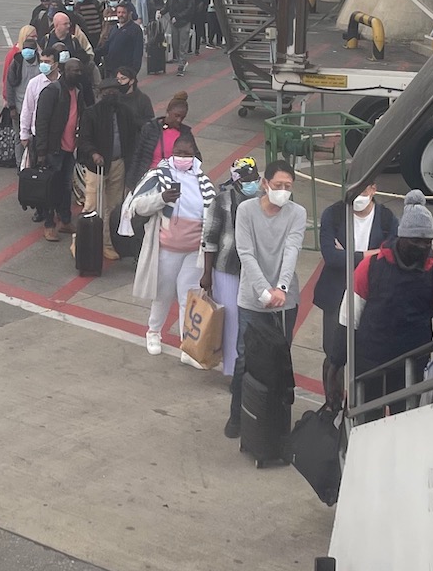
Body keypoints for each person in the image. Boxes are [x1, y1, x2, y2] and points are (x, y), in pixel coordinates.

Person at [226, 159, 308, 439]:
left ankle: (274, 419)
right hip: (252, 298)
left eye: (288, 187)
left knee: (279, 358)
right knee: (244, 357)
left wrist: (281, 288)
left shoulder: (297, 213)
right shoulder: (247, 210)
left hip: (285, 299)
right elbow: (245, 252)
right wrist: (263, 290)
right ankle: (237, 415)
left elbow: (291, 250)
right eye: (278, 186)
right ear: (265, 184)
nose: (283, 191)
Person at [348, 192, 433, 406]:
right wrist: (337, 362)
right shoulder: (370, 266)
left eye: (428, 241)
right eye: (417, 241)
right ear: (402, 237)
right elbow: (349, 319)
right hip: (369, 366)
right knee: (366, 422)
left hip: (411, 368)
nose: (424, 247)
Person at [127, 130, 222, 356]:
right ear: (172, 153)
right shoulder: (158, 175)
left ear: (194, 155)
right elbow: (138, 205)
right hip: (167, 247)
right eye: (179, 152)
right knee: (163, 293)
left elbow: (211, 213)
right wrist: (162, 199)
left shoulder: (203, 181)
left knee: (188, 298)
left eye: (187, 154)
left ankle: (187, 344)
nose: (183, 157)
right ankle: (153, 332)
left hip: (193, 251)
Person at [316, 178, 399, 403]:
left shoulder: (387, 219)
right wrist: (370, 254)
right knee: (333, 354)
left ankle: (364, 405)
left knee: (368, 355)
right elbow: (331, 258)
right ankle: (332, 404)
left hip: (372, 296)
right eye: (353, 189)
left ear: (374, 189)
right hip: (336, 295)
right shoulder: (332, 215)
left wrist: (349, 255)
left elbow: (391, 256)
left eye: (363, 189)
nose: (358, 195)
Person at [204, 156, 261, 379]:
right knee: (231, 321)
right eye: (247, 178)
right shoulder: (221, 201)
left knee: (251, 320)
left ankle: (249, 366)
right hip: (226, 268)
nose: (252, 182)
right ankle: (233, 371)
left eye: (255, 177)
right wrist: (206, 274)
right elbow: (209, 239)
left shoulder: (260, 199)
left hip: (253, 269)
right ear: (236, 179)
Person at [78, 78, 136, 261]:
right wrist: (94, 153)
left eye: (115, 91)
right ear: (100, 94)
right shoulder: (91, 113)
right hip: (97, 167)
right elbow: (84, 140)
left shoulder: (125, 111)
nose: (111, 95)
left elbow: (132, 136)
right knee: (92, 207)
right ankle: (81, 243)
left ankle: (107, 244)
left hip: (118, 163)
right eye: (107, 92)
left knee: (113, 207)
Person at [31, 55, 88, 241]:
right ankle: (49, 224)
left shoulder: (78, 91)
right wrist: (41, 152)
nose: (78, 74)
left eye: (80, 70)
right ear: (64, 71)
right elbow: (42, 122)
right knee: (51, 188)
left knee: (65, 188)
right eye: (74, 70)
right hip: (53, 150)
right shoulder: (51, 91)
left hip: (70, 149)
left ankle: (65, 220)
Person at [129, 90, 189, 189]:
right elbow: (138, 155)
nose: (179, 120)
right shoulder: (150, 129)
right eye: (176, 116)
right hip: (148, 179)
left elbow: (195, 159)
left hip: (173, 181)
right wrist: (131, 182)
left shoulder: (185, 133)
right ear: (168, 111)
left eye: (182, 117)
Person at [97, 0, 145, 81]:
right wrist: (93, 52)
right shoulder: (114, 28)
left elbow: (138, 52)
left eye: (123, 12)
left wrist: (133, 71)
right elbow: (106, 47)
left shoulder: (135, 30)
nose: (120, 15)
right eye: (119, 12)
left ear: (129, 14)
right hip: (110, 70)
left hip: (125, 72)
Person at [47, 8, 98, 81]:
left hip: (71, 78)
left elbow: (87, 54)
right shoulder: (46, 39)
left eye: (69, 23)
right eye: (65, 24)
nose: (68, 26)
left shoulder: (74, 40)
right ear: (56, 25)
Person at [2, 26, 40, 121]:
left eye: (36, 36)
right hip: (19, 103)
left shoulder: (38, 55)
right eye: (32, 36)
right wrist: (8, 100)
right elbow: (7, 78)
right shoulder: (14, 55)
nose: (35, 39)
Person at [169, 0, 200, 74]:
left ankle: (181, 65)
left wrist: (178, 16)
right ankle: (180, 59)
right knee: (175, 44)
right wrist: (162, 12)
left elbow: (190, 8)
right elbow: (169, 4)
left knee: (183, 44)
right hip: (173, 22)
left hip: (184, 21)